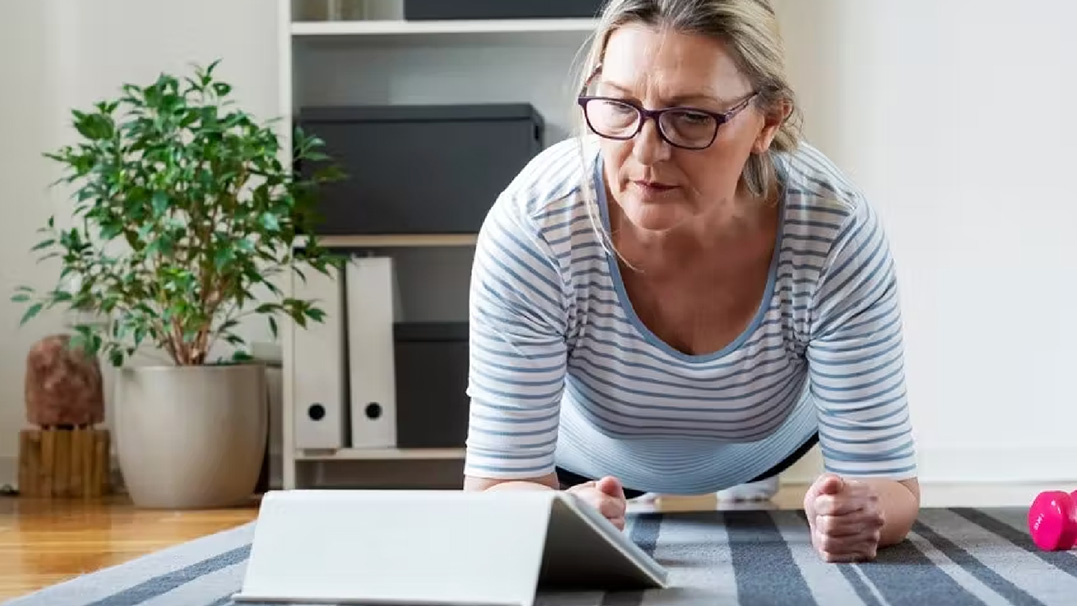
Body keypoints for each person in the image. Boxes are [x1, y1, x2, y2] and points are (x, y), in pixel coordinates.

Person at [461, 0, 919, 563]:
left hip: (762, 441)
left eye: (692, 117)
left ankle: (744, 490)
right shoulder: (537, 223)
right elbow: (490, 491)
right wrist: (555, 513)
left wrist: (858, 509)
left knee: (750, 501)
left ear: (767, 123)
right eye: (619, 105)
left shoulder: (834, 227)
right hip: (590, 450)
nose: (646, 152)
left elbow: (891, 487)